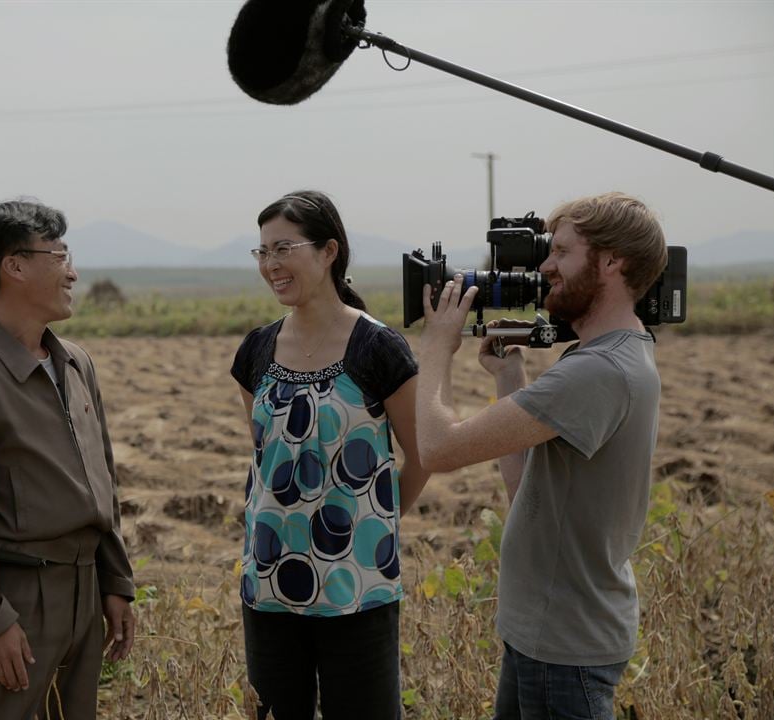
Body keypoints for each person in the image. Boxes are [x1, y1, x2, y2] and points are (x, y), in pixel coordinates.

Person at [413, 192, 668, 720]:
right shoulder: (613, 355)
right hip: (547, 635)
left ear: (612, 261)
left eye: (562, 252)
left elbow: (437, 449)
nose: (545, 266)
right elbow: (525, 486)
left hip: (564, 647)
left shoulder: (595, 372)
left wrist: (438, 344)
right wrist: (510, 377)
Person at [0, 199, 135, 720]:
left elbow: (102, 479)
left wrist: (115, 582)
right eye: (59, 256)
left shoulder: (76, 362)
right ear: (13, 266)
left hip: (84, 590)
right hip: (14, 597)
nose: (73, 272)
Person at [230, 190, 428, 720]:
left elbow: (424, 454)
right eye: (262, 251)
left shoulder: (377, 348)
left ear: (328, 252)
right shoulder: (255, 350)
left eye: (284, 248)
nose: (271, 264)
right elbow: (264, 456)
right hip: (269, 587)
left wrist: (377, 524)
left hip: (356, 589)